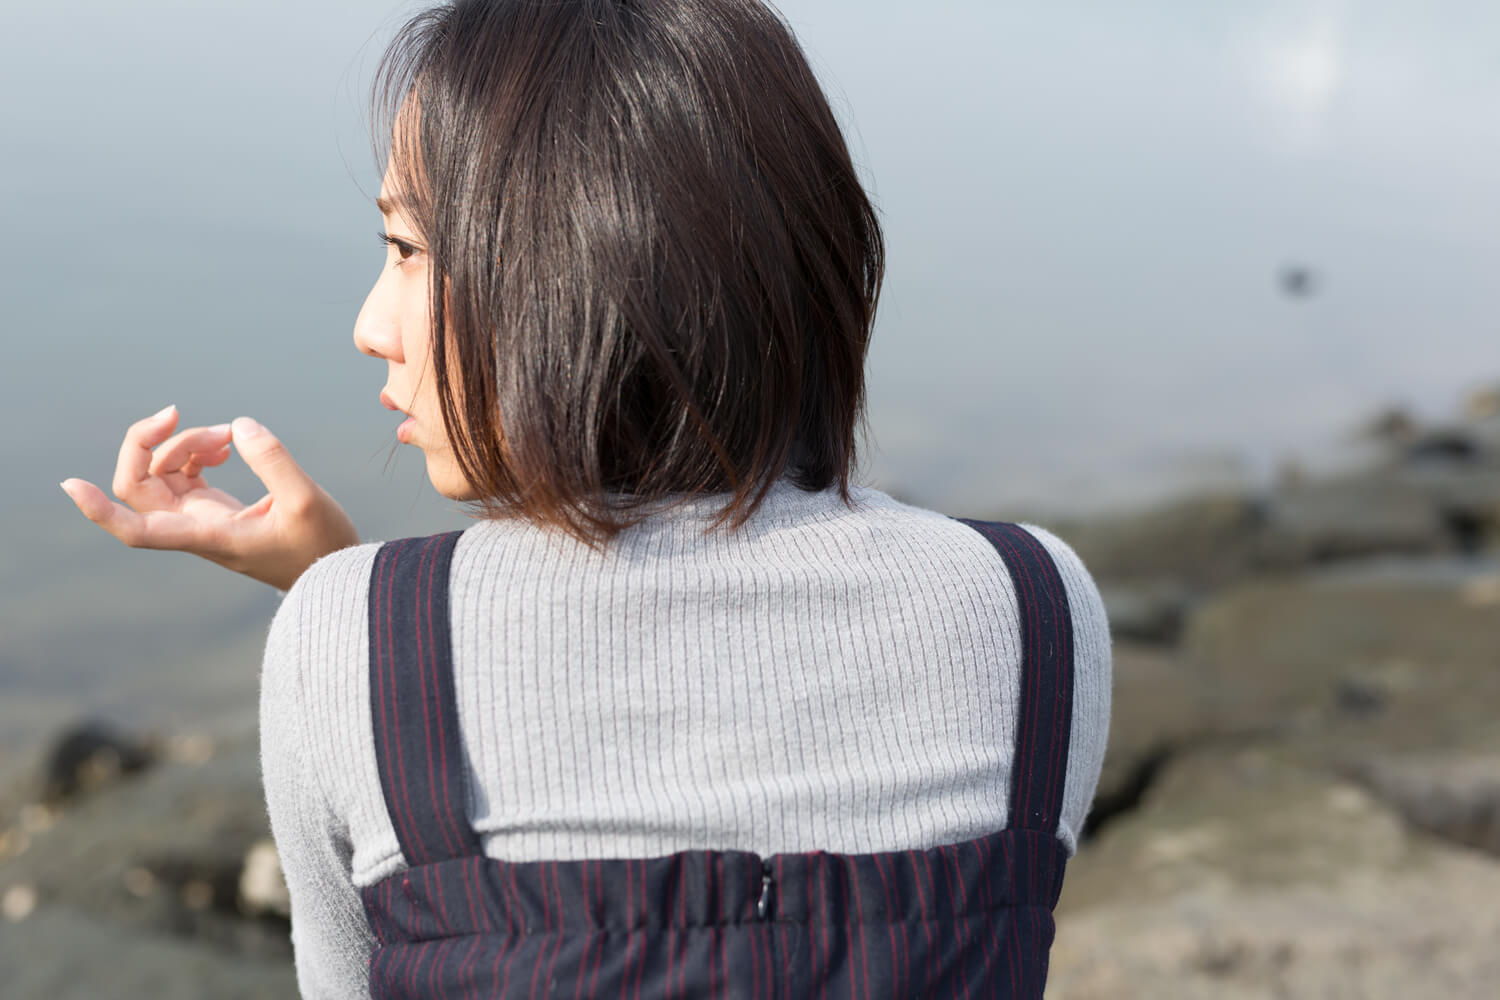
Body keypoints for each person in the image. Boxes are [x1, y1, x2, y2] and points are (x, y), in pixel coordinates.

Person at [62, 0, 1112, 996]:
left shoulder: (348, 638)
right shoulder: (1033, 606)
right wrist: (353, 595)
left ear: (575, 261)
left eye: (406, 248)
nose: (369, 324)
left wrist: (354, 607)